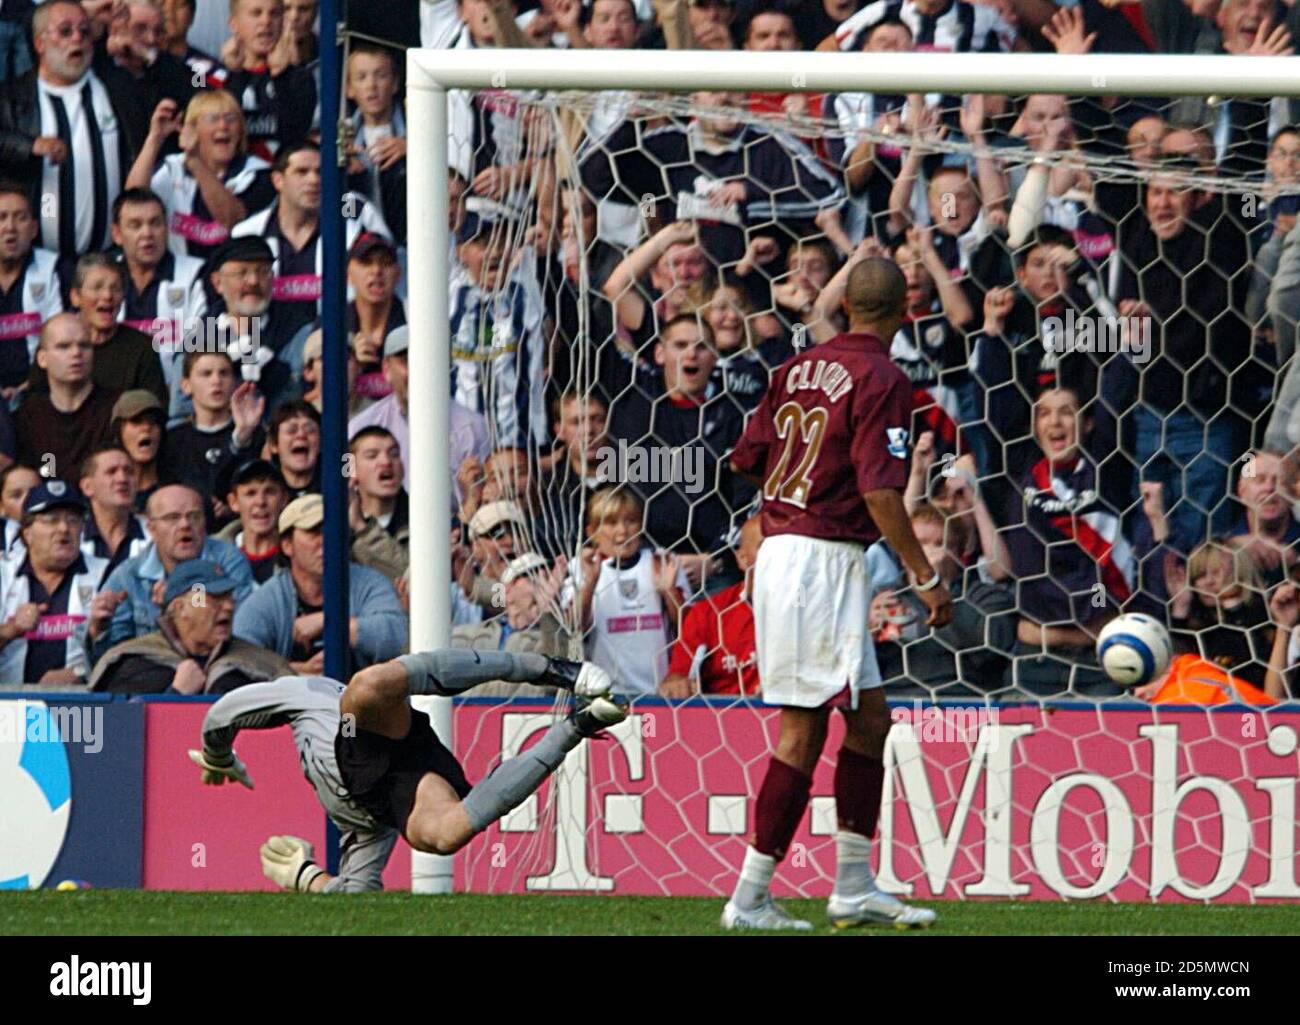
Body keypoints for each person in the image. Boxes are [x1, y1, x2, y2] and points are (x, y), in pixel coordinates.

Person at [725, 256, 951, 930]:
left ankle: (854, 884)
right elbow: (881, 489)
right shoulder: (884, 376)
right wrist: (926, 575)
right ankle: (749, 897)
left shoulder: (797, 367)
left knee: (869, 720)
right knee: (801, 729)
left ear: (846, 304)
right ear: (906, 309)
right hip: (822, 559)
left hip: (790, 550)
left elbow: (746, 457)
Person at [186, 649, 626, 892]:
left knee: (366, 687)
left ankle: (552, 670)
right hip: (399, 790)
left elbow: (225, 712)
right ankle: (580, 724)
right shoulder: (365, 830)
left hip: (359, 733)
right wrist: (306, 878)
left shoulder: (303, 693)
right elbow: (355, 898)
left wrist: (218, 755)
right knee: (445, 835)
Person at [0, 0, 146, 256]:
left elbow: (197, 85)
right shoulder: (12, 98)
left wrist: (153, 58)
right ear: (39, 43)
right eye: (65, 31)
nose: (77, 38)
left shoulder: (118, 87)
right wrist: (29, 146)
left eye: (84, 31)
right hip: (37, 262)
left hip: (110, 259)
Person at [232, 493, 407, 674]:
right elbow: (238, 661)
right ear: (287, 545)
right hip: (293, 700)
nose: (325, 541)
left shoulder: (369, 582)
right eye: (313, 532)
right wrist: (294, 671)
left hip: (360, 699)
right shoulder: (268, 599)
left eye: (331, 530)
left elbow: (397, 636)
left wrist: (329, 622)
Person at [90, 557, 291, 693]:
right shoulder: (134, 662)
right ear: (180, 608)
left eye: (229, 597)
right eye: (214, 598)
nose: (229, 606)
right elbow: (122, 738)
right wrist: (176, 694)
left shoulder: (261, 665)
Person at [97, 482, 255, 654]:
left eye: (194, 516)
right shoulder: (128, 574)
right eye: (172, 518)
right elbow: (116, 651)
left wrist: (174, 608)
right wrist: (98, 629)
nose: (185, 524)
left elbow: (243, 629)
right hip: (150, 669)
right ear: (152, 528)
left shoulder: (227, 561)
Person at [125, 90, 276, 261]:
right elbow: (132, 200)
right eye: (213, 119)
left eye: (231, 119)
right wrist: (155, 138)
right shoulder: (173, 167)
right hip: (181, 278)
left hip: (235, 279)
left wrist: (195, 162)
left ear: (241, 130)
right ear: (191, 129)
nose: (223, 126)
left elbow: (230, 219)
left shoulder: (259, 172)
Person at [348, 325, 490, 499]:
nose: (418, 370)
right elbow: (344, 483)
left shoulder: (474, 428)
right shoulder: (358, 428)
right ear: (386, 369)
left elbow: (486, 497)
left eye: (427, 360)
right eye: (406, 361)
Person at [569, 485, 685, 698]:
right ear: (592, 532)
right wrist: (590, 583)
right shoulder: (581, 567)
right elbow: (573, 629)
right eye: (612, 523)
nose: (623, 531)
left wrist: (669, 592)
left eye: (630, 521)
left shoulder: (662, 561)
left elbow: (687, 629)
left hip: (658, 694)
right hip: (605, 694)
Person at [0, 479, 106, 684]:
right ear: (27, 533)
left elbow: (123, 651)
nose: (64, 528)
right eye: (51, 519)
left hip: (81, 708)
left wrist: (82, 673)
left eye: (73, 519)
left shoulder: (105, 574)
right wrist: (11, 629)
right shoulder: (2, 574)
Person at [28, 253, 167, 405]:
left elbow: (153, 411)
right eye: (97, 287)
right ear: (75, 296)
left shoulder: (142, 348)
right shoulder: (54, 343)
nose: (108, 295)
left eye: (115, 288)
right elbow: (35, 404)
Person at [661, 512, 762, 697]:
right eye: (765, 546)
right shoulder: (708, 612)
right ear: (742, 558)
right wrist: (676, 684)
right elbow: (677, 676)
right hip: (723, 718)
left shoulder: (805, 608)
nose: (778, 555)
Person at [14, 312, 118, 480]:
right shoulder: (28, 414)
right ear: (42, 358)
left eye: (84, 345)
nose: (76, 353)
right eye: (64, 346)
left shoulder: (116, 409)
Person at [158, 352, 265, 514]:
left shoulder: (255, 434)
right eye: (206, 374)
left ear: (235, 383)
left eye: (224, 373)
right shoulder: (171, 440)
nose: (216, 381)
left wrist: (241, 437)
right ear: (186, 386)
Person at [0, 182, 63, 397]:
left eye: (20, 217)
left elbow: (61, 341)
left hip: (42, 391)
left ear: (34, 228)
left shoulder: (56, 270)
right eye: (2, 217)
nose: (10, 227)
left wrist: (31, 385)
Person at [347, 425, 409, 583]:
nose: (386, 462)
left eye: (394, 454)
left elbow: (413, 579)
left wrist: (362, 528)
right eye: (372, 455)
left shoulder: (425, 520)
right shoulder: (332, 522)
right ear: (350, 469)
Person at [77, 445, 149, 578]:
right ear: (87, 487)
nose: (122, 479)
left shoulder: (155, 534)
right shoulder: (72, 536)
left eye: (129, 471)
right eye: (111, 471)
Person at [214, 457, 288, 584]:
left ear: (283, 499)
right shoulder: (211, 555)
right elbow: (197, 599)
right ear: (233, 502)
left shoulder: (299, 556)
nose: (260, 502)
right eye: (251, 493)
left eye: (270, 492)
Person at [111, 389, 165, 504]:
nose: (146, 428)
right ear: (118, 432)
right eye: (136, 421)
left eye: (154, 421)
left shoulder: (177, 489)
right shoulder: (106, 494)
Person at [267, 398, 320, 496]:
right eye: (292, 430)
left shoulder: (337, 486)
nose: (301, 435)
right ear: (274, 445)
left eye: (309, 430)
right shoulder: (264, 493)